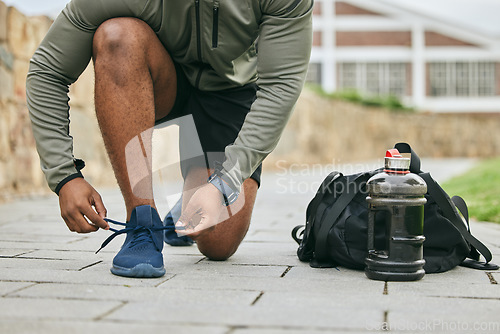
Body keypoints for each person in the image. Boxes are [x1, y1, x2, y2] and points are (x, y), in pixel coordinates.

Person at [26, 0, 313, 278]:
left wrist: (224, 185)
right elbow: (47, 71)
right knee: (117, 36)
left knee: (218, 244)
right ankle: (142, 222)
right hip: (161, 76)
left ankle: (196, 191)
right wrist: (64, 176)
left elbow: (280, 86)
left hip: (229, 91)